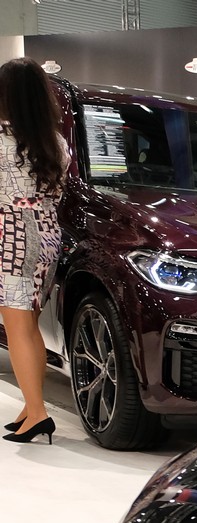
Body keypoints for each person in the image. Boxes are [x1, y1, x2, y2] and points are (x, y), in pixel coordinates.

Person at [0, 58, 67, 444]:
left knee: (17, 329)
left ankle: (39, 413)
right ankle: (31, 406)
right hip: (47, 232)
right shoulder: (54, 141)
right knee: (31, 325)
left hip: (11, 233)